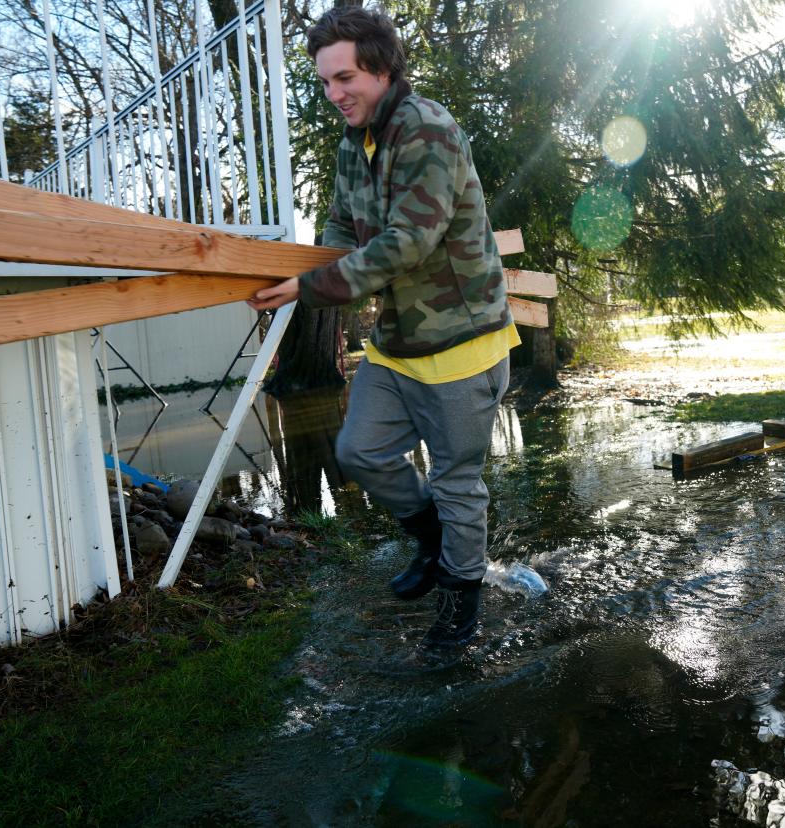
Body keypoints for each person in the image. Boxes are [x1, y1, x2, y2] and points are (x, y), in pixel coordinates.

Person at [248, 6, 518, 648]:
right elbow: (343, 225)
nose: (334, 94)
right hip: (397, 343)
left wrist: (310, 287)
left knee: (458, 484)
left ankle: (460, 602)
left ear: (382, 66)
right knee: (358, 452)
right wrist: (312, 261)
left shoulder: (427, 130)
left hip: (462, 345)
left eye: (345, 78)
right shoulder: (353, 142)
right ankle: (432, 544)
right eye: (324, 83)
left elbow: (408, 243)